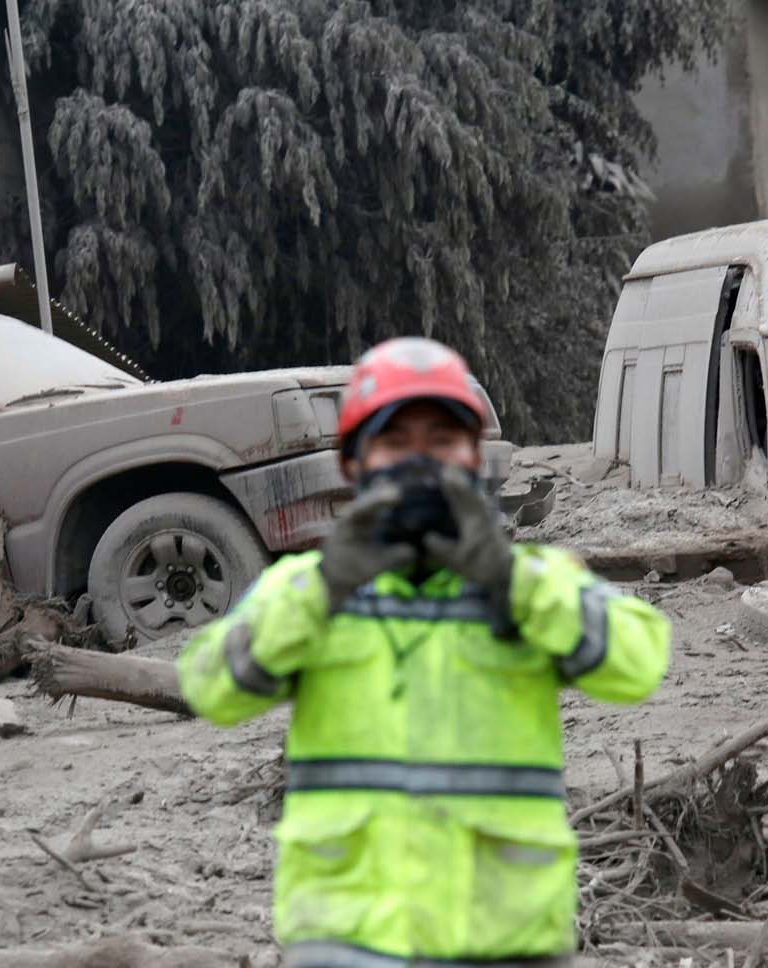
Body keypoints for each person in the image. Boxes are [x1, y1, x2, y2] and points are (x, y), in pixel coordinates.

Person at [179, 337, 672, 968]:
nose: (421, 463)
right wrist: (327, 585)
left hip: (504, 940)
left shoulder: (532, 582)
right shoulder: (306, 590)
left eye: (441, 442)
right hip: (350, 940)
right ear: (354, 465)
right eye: (396, 443)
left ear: (473, 458)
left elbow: (639, 666)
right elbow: (211, 688)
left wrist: (507, 580)